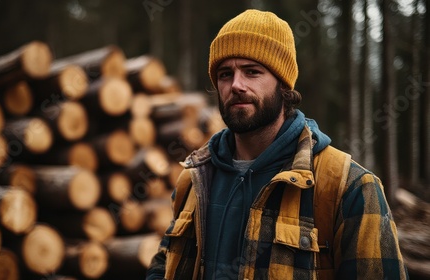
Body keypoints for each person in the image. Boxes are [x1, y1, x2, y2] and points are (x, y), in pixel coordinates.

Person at [146, 9, 408, 280]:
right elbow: (162, 267)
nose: (236, 85)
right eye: (225, 74)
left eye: (252, 71)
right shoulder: (195, 178)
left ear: (283, 85)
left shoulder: (349, 187)